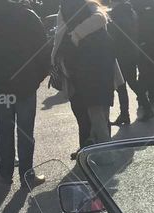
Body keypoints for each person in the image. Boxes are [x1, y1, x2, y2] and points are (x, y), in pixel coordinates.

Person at [0, 0, 51, 188]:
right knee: (26, 131)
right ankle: (27, 175)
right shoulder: (27, 15)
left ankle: (5, 173)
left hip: (0, 84)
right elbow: (43, 49)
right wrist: (38, 77)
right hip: (26, 82)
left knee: (4, 130)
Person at [54, 0, 118, 151]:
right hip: (91, 68)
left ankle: (100, 152)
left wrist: (76, 35)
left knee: (92, 112)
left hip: (85, 69)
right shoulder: (81, 6)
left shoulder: (84, 5)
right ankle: (91, 149)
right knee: (96, 111)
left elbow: (100, 18)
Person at [108, 0, 154, 125]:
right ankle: (145, 108)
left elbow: (114, 35)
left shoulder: (118, 14)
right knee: (132, 82)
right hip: (132, 52)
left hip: (121, 54)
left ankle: (126, 114)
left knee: (122, 86)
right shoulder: (130, 12)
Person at [131, 0, 154, 109]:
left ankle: (153, 96)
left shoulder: (153, 3)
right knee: (144, 72)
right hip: (143, 43)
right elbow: (135, 23)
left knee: (153, 69)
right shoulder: (135, 4)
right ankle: (142, 99)